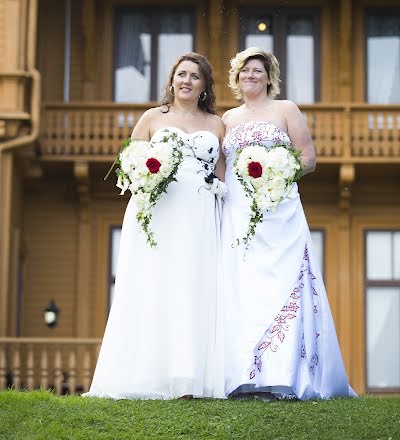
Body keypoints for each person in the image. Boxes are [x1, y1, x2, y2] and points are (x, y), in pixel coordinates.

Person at [84, 53, 225, 400]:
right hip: (158, 210)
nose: (187, 81)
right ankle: (147, 374)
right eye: (181, 74)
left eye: (195, 76)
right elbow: (130, 164)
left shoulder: (217, 124)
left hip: (199, 213)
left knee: (193, 288)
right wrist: (148, 177)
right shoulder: (152, 118)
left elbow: (222, 174)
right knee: (155, 283)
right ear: (171, 80)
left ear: (204, 85)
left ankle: (189, 380)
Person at [221, 46, 354, 400]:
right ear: (236, 76)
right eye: (245, 70)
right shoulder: (228, 119)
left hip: (280, 210)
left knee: (282, 283)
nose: (251, 76)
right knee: (244, 287)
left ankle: (284, 375)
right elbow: (221, 170)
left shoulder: (286, 110)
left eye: (258, 71)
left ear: (269, 77)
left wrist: (278, 175)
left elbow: (307, 158)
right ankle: (244, 377)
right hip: (238, 213)